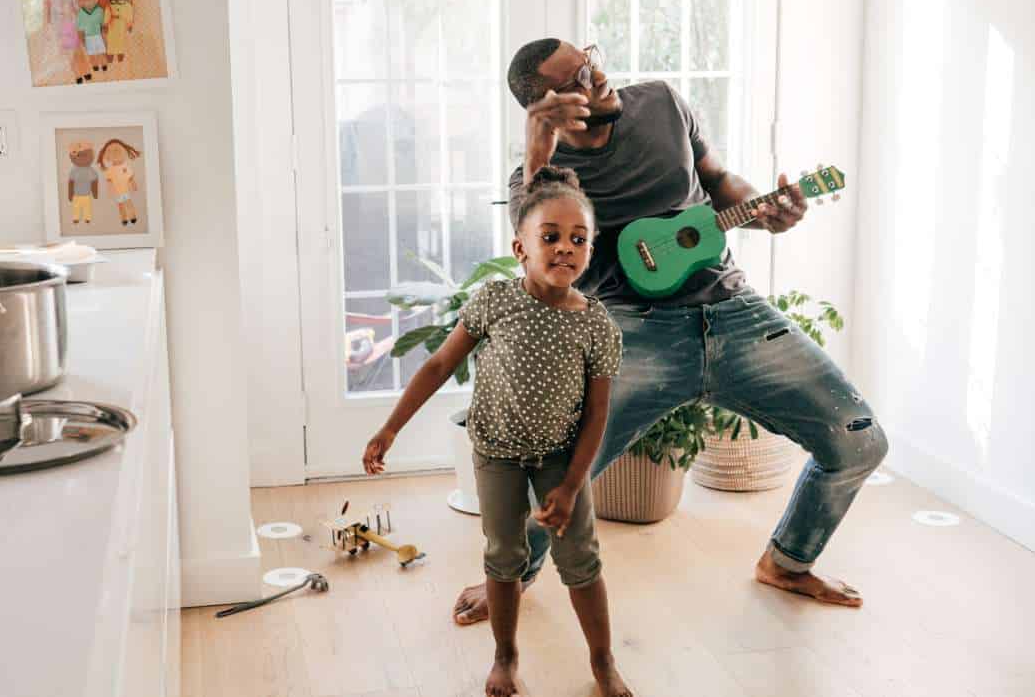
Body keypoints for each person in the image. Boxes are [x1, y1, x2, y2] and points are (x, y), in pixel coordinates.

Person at [449, 38, 889, 626]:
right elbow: (540, 266)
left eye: (591, 57)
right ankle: (507, 577)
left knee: (860, 440)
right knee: (559, 472)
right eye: (578, 78)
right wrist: (536, 154)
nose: (598, 75)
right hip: (632, 331)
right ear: (547, 106)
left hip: (733, 309)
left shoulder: (660, 102)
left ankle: (787, 561)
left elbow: (716, 178)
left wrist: (763, 208)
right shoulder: (540, 177)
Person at [363, 166, 632, 697]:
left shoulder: (596, 324)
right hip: (496, 454)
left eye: (578, 239)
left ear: (591, 248)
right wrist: (390, 428)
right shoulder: (494, 301)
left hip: (561, 456)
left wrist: (572, 484)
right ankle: (506, 657)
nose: (564, 248)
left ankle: (603, 662)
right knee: (504, 555)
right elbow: (440, 365)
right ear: (520, 247)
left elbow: (598, 413)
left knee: (580, 558)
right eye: (550, 237)